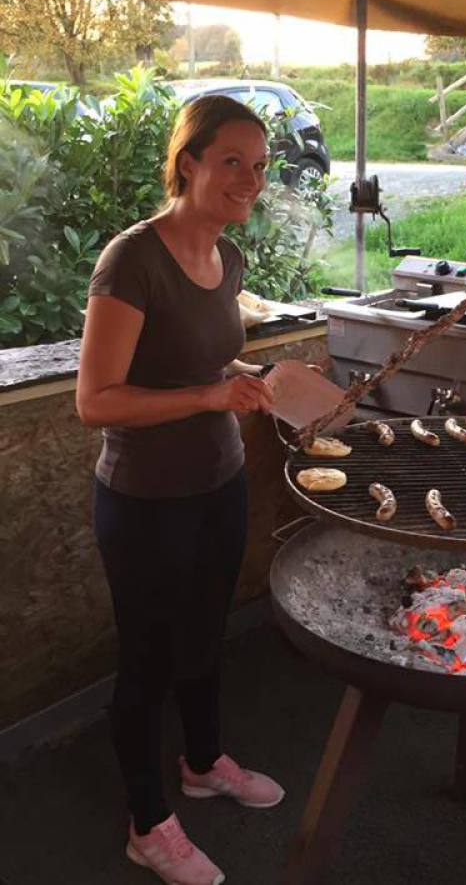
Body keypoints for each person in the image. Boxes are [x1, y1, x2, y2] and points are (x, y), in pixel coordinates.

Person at [77, 95, 284, 885]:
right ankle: (147, 823)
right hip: (145, 501)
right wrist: (209, 396)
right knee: (148, 660)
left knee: (204, 633)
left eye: (259, 165)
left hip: (218, 483)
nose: (249, 179)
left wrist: (260, 378)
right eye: (232, 161)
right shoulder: (132, 260)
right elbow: (95, 400)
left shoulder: (227, 257)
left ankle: (202, 763)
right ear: (188, 163)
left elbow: (204, 358)